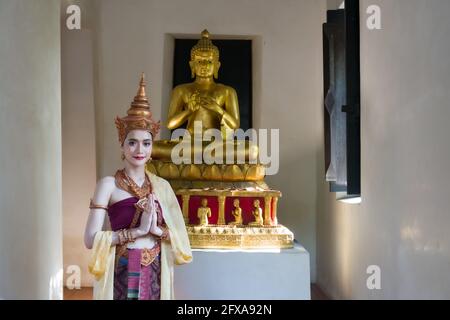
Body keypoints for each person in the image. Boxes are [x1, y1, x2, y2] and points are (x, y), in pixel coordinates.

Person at [84, 74, 192, 300]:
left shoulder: (161, 186)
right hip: (124, 265)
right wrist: (137, 232)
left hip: (156, 266)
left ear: (152, 148)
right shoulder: (108, 185)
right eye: (132, 142)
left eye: (146, 143)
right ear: (122, 145)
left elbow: (179, 237)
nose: (139, 150)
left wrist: (155, 231)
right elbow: (91, 239)